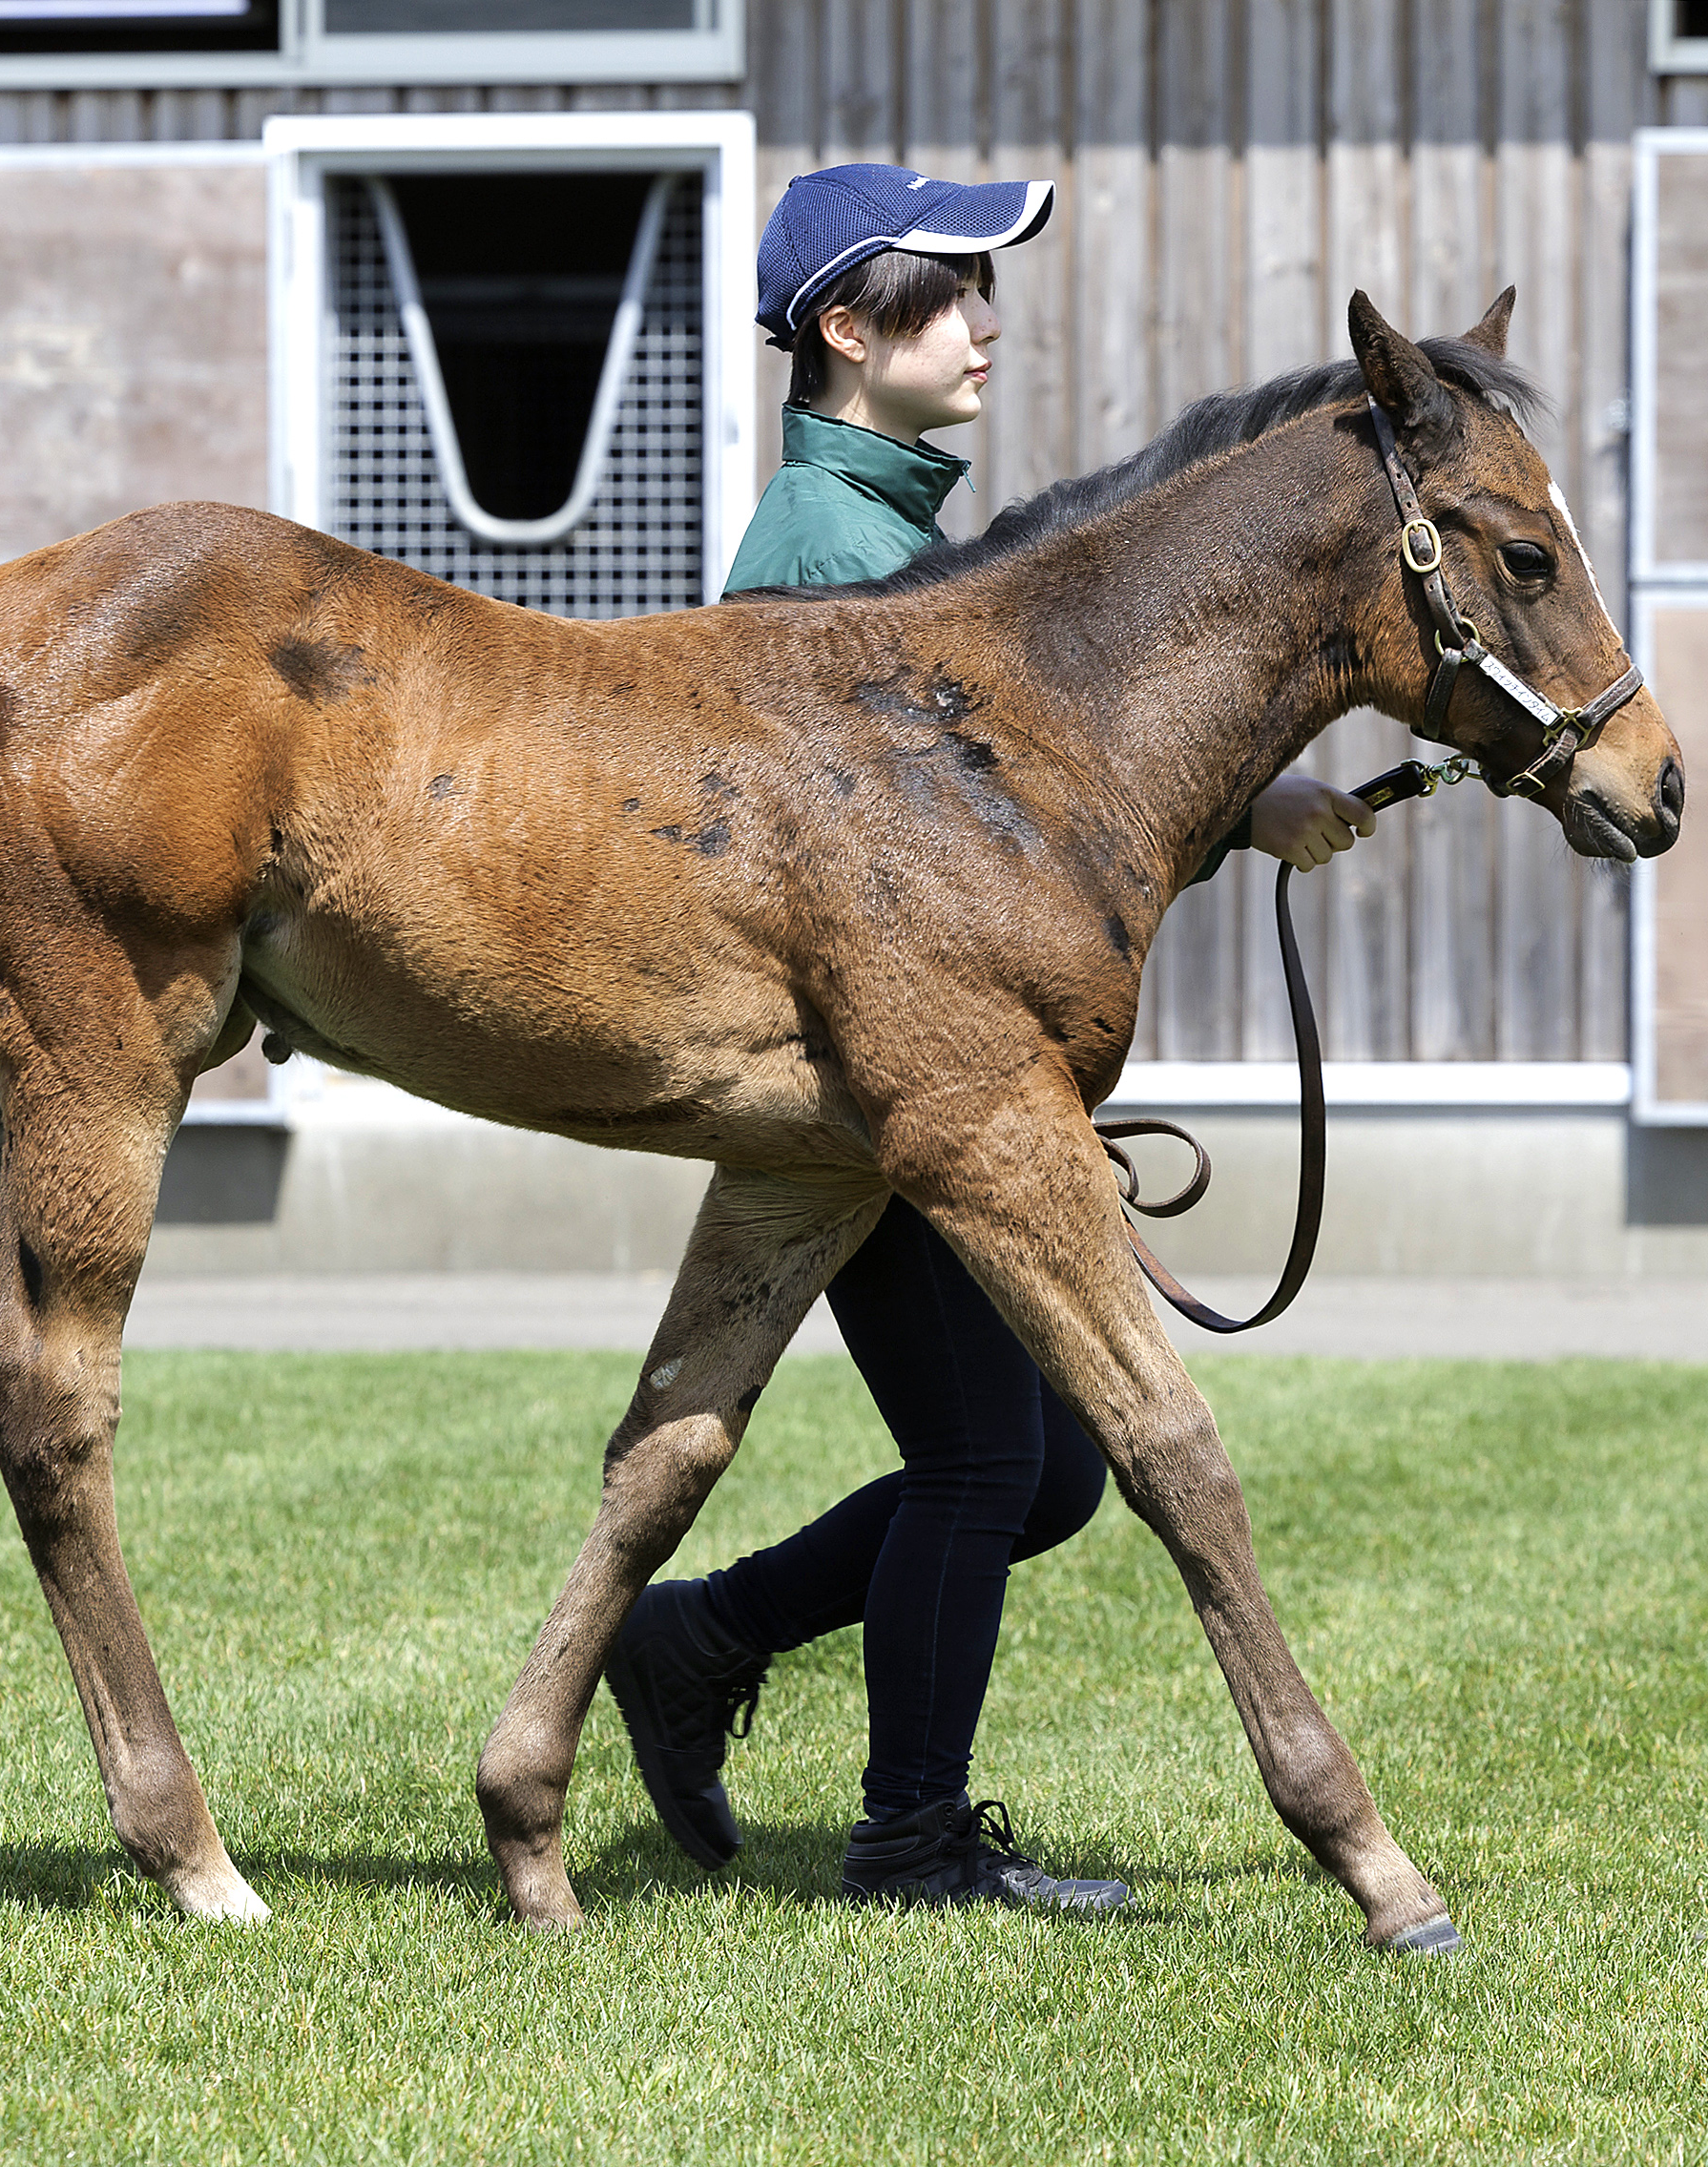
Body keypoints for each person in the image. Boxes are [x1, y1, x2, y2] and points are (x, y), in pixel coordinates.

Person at [601, 162, 1378, 1911]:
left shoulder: (897, 543)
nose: (984, 325)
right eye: (944, 297)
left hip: (905, 1076)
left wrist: (1251, 805)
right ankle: (906, 1839)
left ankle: (695, 1640)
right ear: (843, 333)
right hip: (861, 1099)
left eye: (980, 293)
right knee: (990, 1464)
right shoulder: (829, 556)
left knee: (1031, 1477)